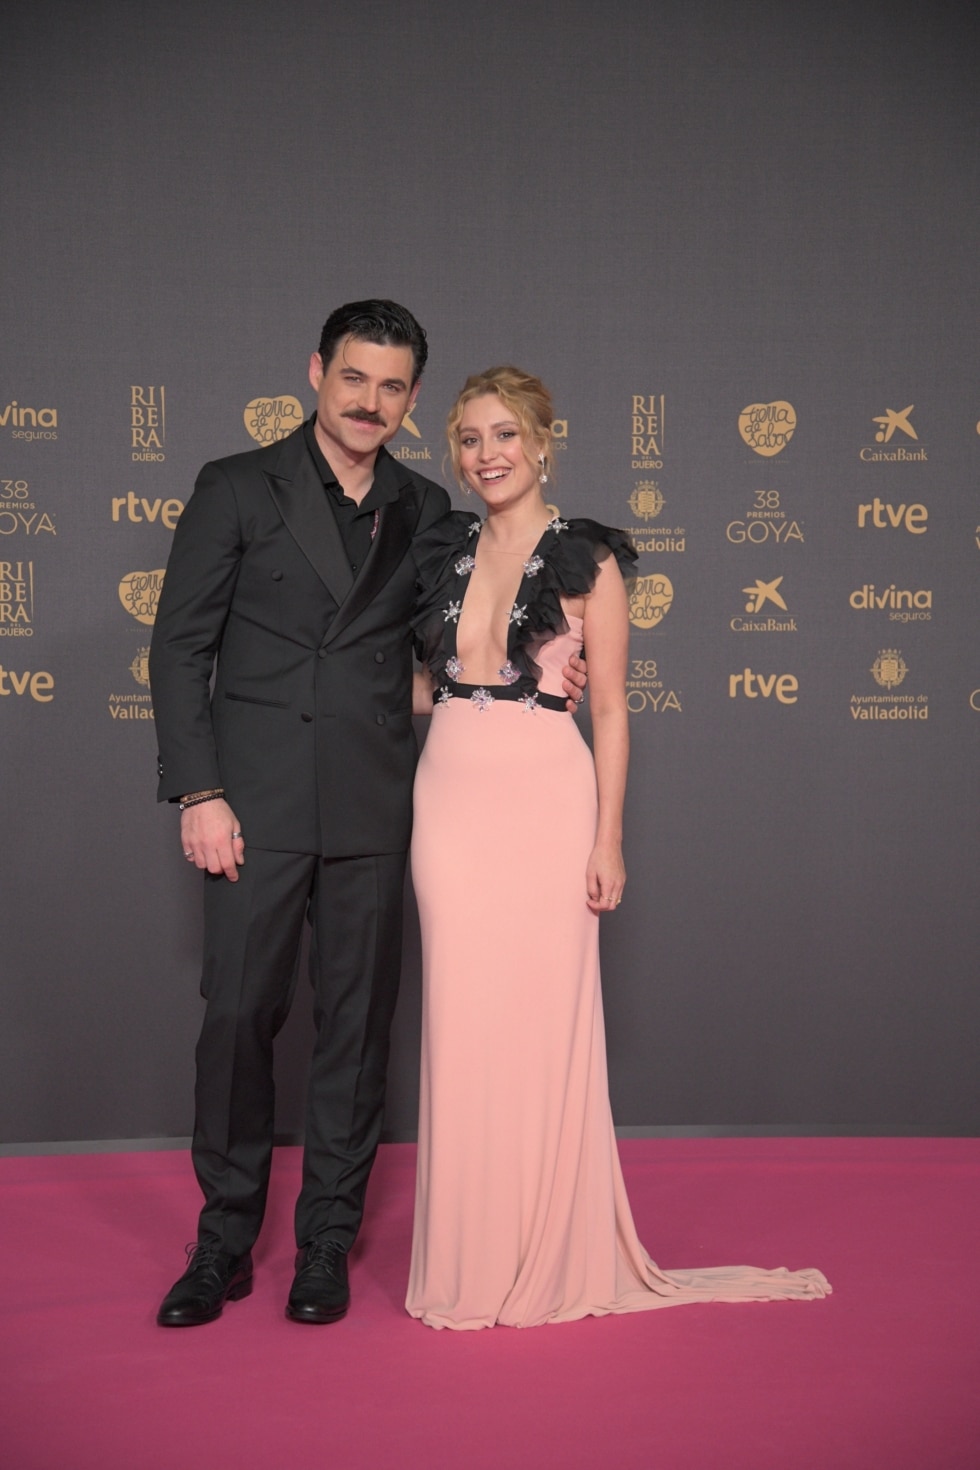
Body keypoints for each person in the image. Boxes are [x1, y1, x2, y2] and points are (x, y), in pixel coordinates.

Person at [149, 302, 587, 1329]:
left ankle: (326, 1246)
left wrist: (552, 657)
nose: (369, 403)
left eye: (392, 388)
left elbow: (458, 641)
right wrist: (200, 792)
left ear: (411, 398)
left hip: (378, 804)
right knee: (236, 1023)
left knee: (354, 1031)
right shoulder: (234, 486)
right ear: (315, 373)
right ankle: (220, 1246)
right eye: (354, 379)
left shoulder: (426, 505)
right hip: (250, 805)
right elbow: (178, 650)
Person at [405, 366, 831, 1329]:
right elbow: (424, 690)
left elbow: (609, 709)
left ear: (543, 441)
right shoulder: (440, 548)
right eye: (469, 439)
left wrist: (608, 840)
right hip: (450, 799)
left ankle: (551, 1249)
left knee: (545, 1024)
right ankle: (471, 1256)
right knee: (461, 1023)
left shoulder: (588, 557)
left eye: (504, 435)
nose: (487, 456)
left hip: (546, 798)